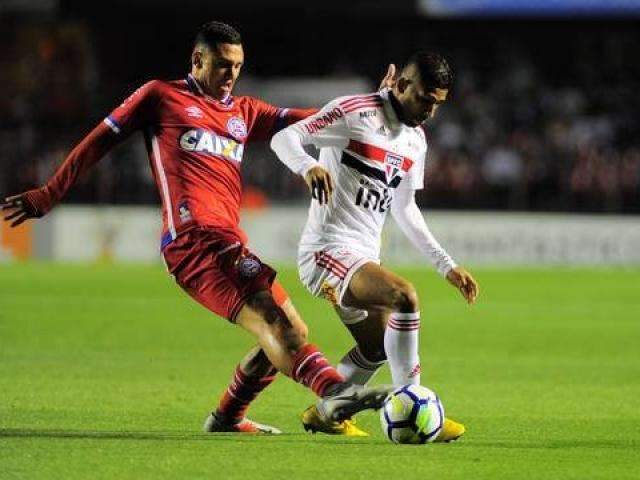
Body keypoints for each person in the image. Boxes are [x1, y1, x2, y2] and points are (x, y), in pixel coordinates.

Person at [1, 21, 394, 435]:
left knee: (290, 329)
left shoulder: (244, 113)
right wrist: (48, 193)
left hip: (226, 241)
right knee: (275, 323)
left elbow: (313, 120)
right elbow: (98, 140)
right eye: (223, 65)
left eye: (238, 66)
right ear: (197, 60)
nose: (231, 75)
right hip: (193, 241)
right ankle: (336, 393)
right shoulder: (161, 97)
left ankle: (226, 417)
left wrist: (377, 105)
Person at [271, 52, 480, 440]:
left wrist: (446, 265)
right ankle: (414, 400)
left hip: (362, 257)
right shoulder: (354, 112)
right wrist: (308, 166)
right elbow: (284, 138)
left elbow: (405, 208)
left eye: (438, 104)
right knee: (404, 296)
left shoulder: (416, 140)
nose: (430, 111)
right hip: (326, 252)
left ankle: (325, 413)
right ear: (401, 85)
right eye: (424, 99)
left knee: (377, 348)